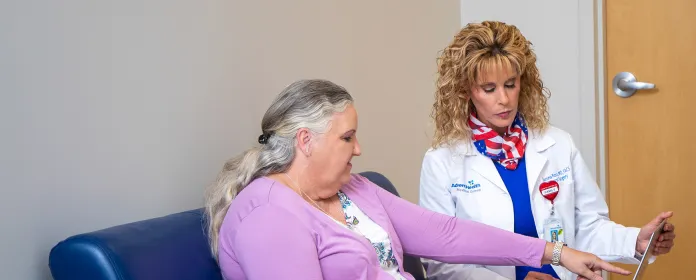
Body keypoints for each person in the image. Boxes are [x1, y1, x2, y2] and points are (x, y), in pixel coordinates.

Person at [204, 79, 631, 280]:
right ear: (305, 141)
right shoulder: (269, 217)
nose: (358, 149)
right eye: (347, 137)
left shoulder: (353, 189)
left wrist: (556, 253)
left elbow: (446, 234)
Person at [418, 21, 677, 280]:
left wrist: (635, 241)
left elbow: (588, 226)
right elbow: (441, 263)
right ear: (465, 91)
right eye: (489, 89)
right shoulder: (441, 162)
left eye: (510, 84)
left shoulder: (558, 144)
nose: (504, 99)